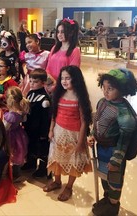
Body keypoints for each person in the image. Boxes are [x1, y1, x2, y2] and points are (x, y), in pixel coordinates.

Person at [88, 68, 137, 216]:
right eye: (104, 87)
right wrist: (92, 135)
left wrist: (116, 161)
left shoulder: (125, 115)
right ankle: (107, 198)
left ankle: (113, 205)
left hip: (114, 151)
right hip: (101, 148)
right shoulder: (102, 102)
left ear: (122, 90)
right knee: (103, 176)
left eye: (110, 89)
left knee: (114, 179)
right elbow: (98, 121)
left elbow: (124, 142)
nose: (105, 92)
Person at [43, 65, 92, 202]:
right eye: (62, 78)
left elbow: (84, 122)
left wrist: (81, 142)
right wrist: (51, 129)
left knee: (73, 161)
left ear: (75, 79)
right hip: (59, 131)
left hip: (74, 134)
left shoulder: (80, 97)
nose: (64, 81)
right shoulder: (59, 93)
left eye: (68, 78)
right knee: (56, 157)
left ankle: (69, 187)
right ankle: (57, 181)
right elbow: (54, 113)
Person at [22, 69, 52, 178]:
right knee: (30, 146)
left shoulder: (44, 99)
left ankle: (43, 169)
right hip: (30, 126)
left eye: (35, 82)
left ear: (43, 83)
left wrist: (44, 133)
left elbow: (46, 118)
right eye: (30, 81)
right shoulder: (30, 93)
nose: (32, 84)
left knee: (42, 149)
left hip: (40, 129)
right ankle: (31, 163)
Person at [3, 86, 29, 179]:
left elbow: (5, 128)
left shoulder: (11, 116)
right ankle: (17, 173)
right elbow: (24, 120)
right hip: (19, 134)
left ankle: (12, 174)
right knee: (18, 153)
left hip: (10, 136)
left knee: (11, 154)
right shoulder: (22, 111)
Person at [46, 18, 81, 82]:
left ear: (71, 33)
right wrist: (50, 81)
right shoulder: (54, 48)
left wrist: (57, 84)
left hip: (64, 86)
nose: (59, 34)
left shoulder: (75, 51)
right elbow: (48, 68)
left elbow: (72, 73)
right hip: (50, 83)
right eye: (58, 32)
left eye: (62, 32)